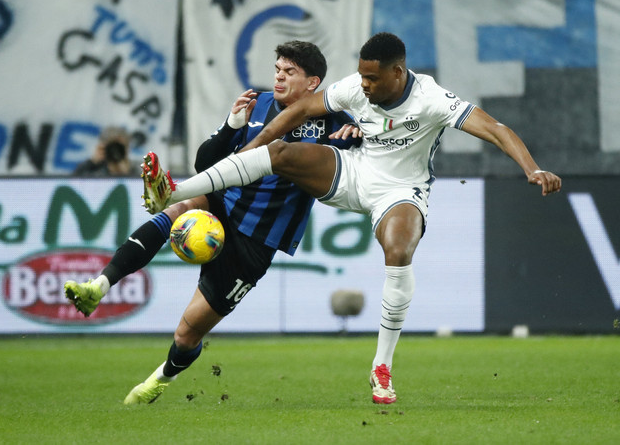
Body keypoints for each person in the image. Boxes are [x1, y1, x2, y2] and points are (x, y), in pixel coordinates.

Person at [141, 32, 562, 404]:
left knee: (398, 248)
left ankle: (381, 367)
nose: (363, 85)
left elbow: (497, 129)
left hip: (401, 189)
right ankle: (173, 191)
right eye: (361, 76)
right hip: (354, 172)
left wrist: (531, 168)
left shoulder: (432, 99)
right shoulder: (355, 88)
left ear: (398, 73)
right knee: (280, 154)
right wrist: (251, 148)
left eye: (372, 78)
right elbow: (299, 112)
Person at [63, 40, 361, 405]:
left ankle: (161, 378)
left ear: (313, 82)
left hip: (256, 242)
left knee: (188, 333)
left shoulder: (333, 120)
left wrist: (355, 138)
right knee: (177, 209)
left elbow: (358, 162)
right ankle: (99, 285)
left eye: (290, 72)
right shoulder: (258, 105)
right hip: (222, 203)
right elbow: (205, 164)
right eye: (278, 70)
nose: (279, 77)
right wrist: (229, 125)